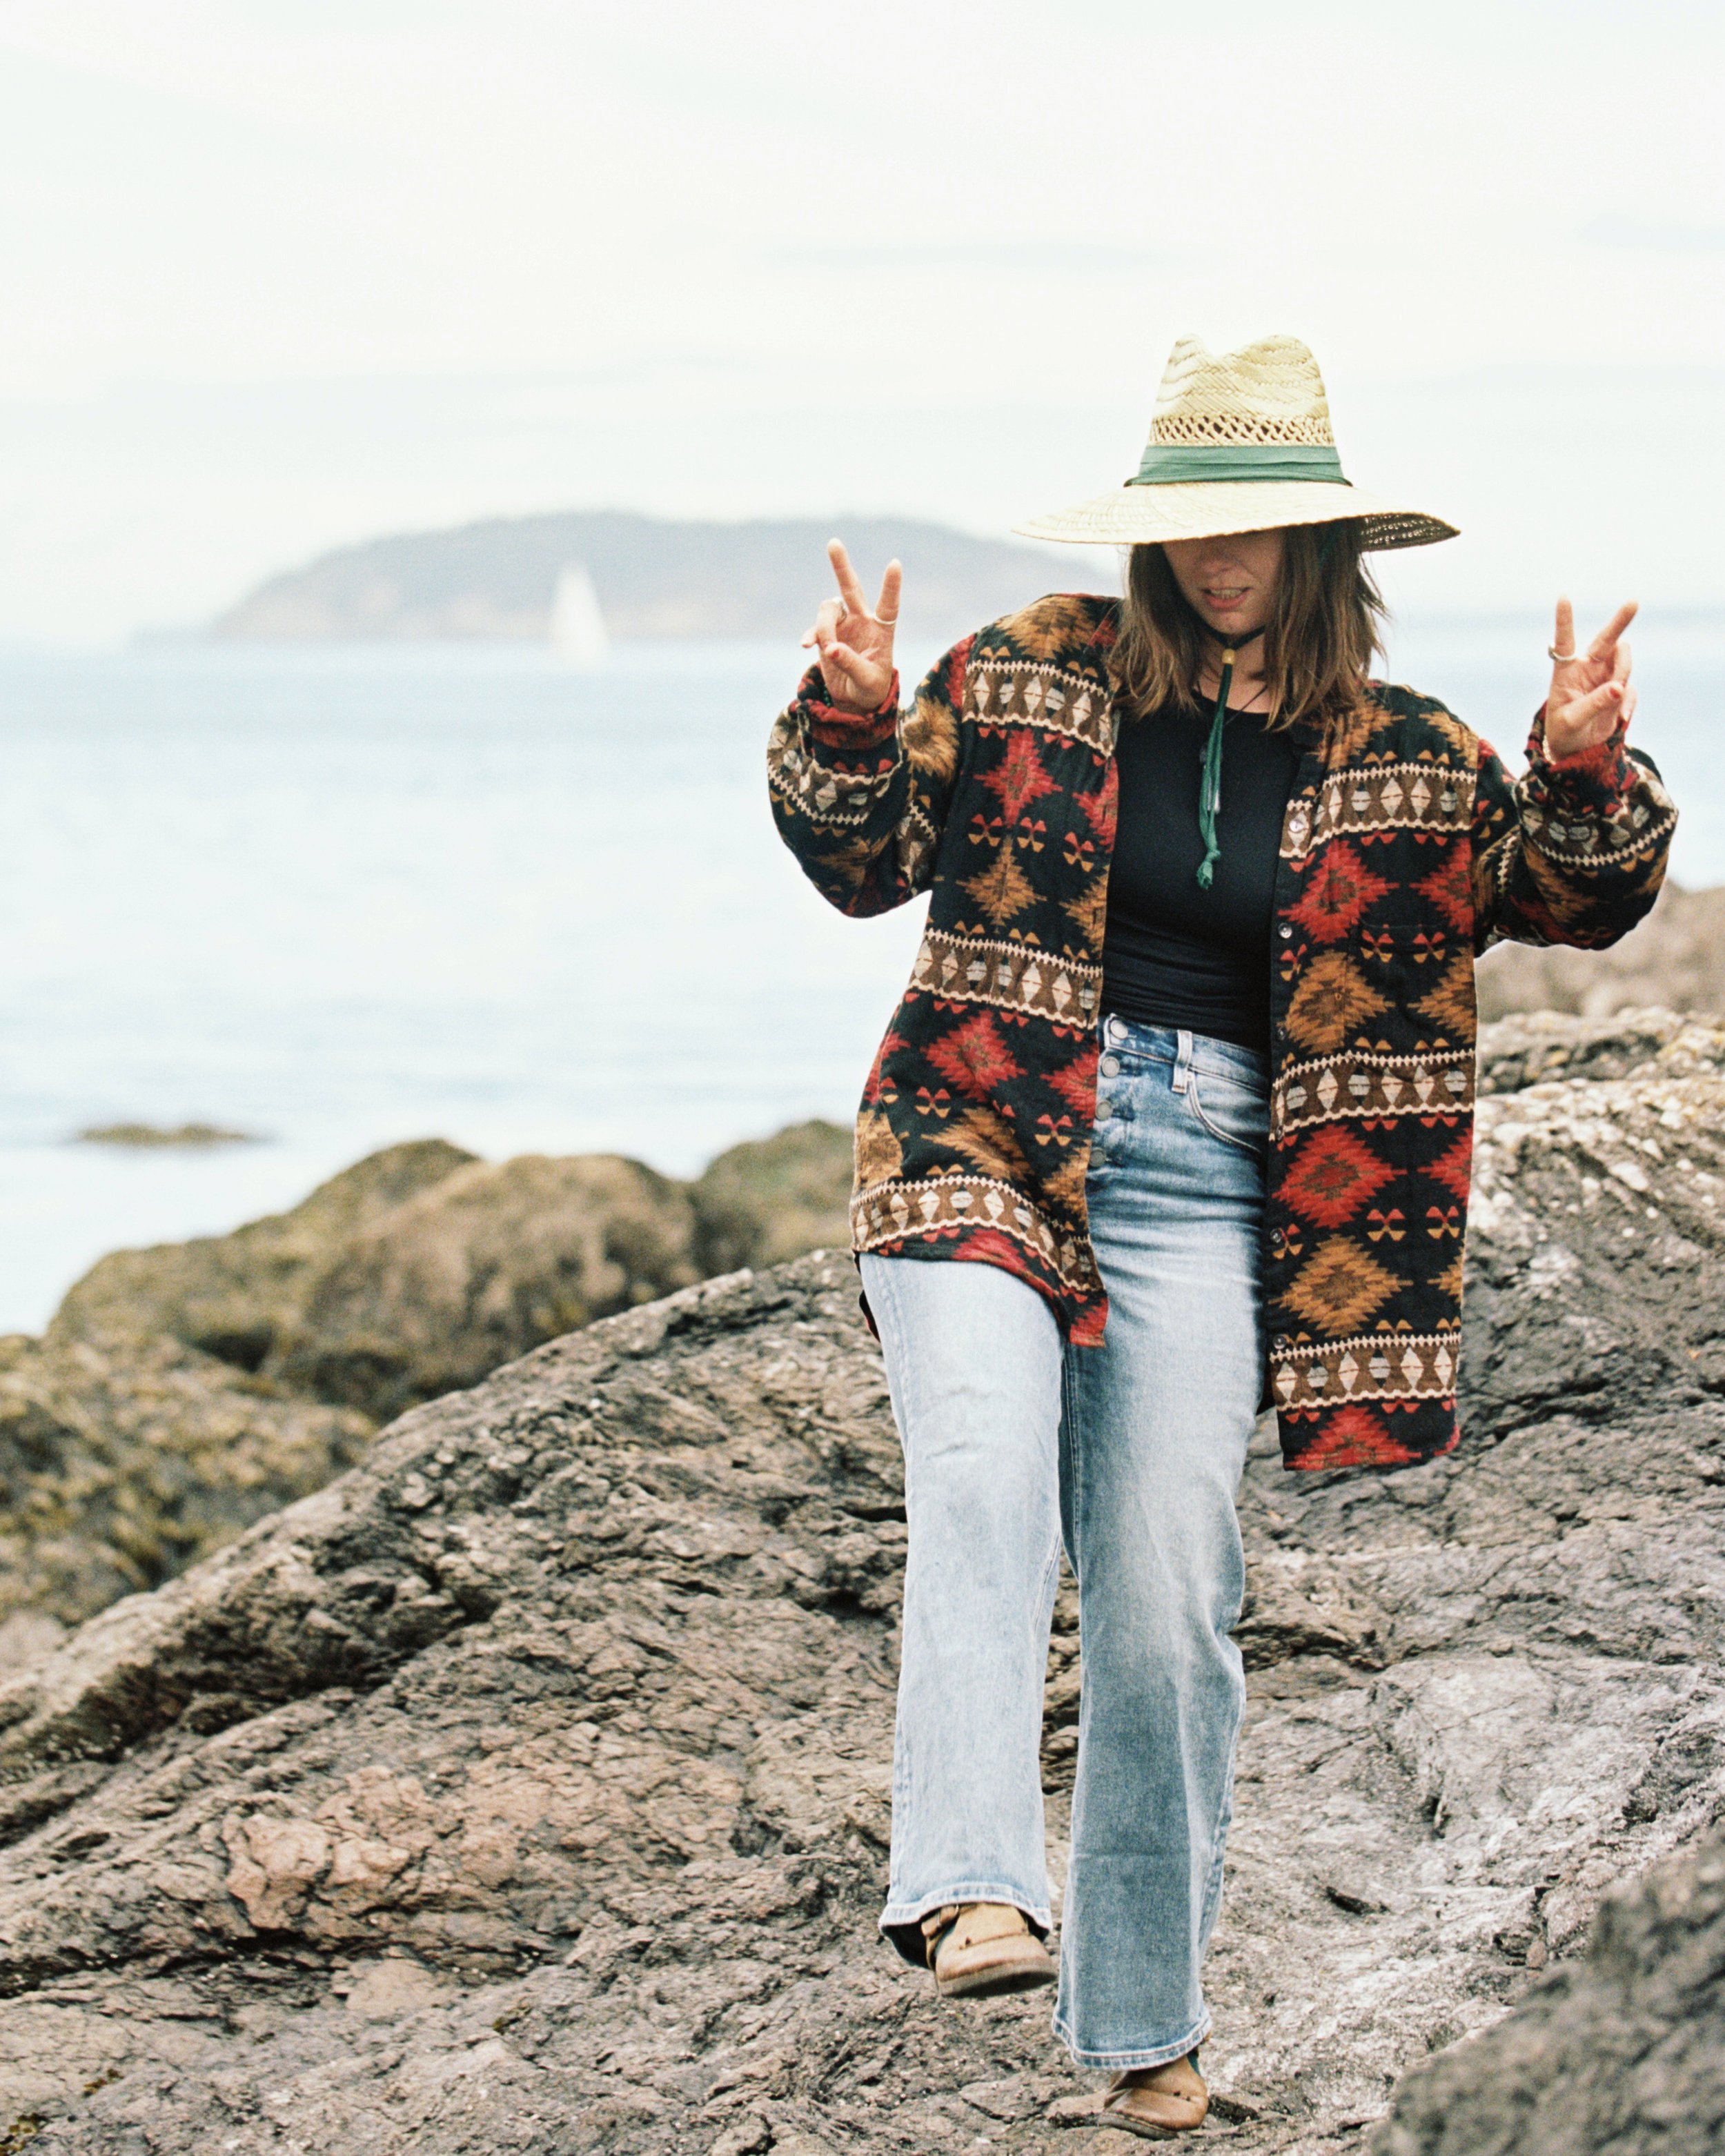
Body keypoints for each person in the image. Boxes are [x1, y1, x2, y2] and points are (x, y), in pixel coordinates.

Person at [766, 335, 1675, 2137]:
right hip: (985, 1130)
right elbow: (861, 857)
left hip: (1214, 1180)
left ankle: (1143, 2030)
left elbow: (1570, 898)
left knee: (1172, 1603)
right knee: (977, 1466)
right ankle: (967, 1886)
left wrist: (1579, 768)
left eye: (1257, 526)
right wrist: (852, 722)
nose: (1221, 556)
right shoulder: (1026, 671)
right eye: (1194, 524)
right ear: (1149, 533)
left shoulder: (1405, 755)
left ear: (1325, 543)